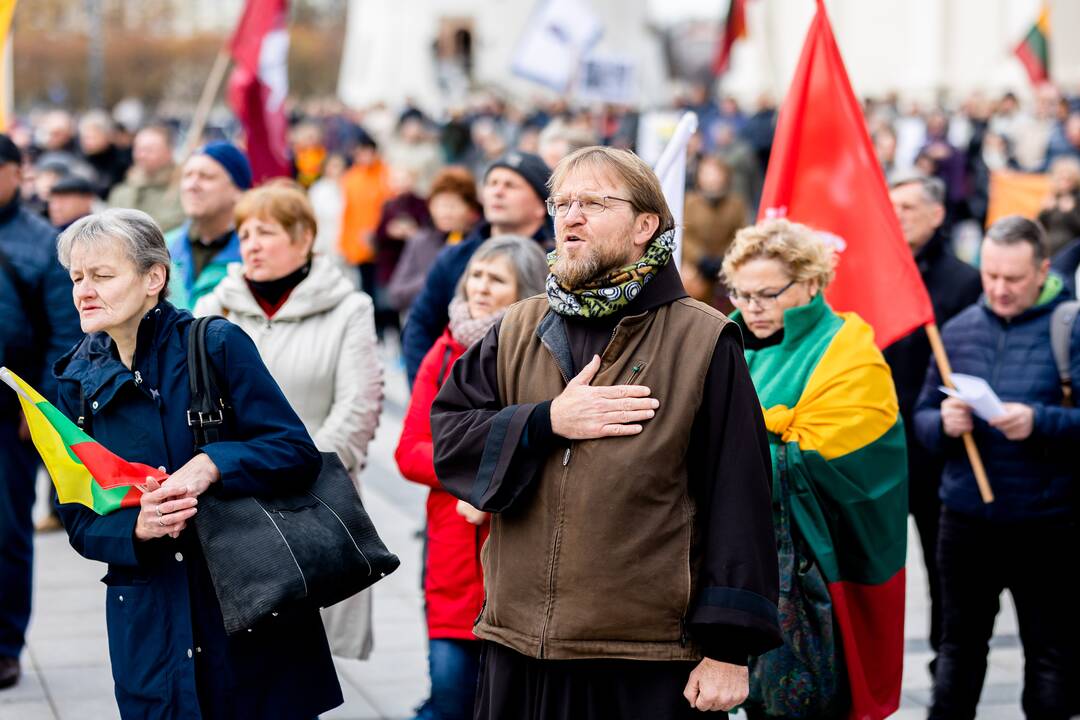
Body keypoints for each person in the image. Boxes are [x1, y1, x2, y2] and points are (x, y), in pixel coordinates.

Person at [430, 146, 781, 719]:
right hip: (518, 641)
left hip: (642, 655)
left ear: (647, 225)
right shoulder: (519, 324)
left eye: (593, 203)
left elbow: (738, 500)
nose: (570, 217)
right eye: (561, 202)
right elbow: (449, 436)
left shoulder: (704, 340)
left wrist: (728, 651)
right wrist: (545, 422)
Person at [52, 208, 343, 718]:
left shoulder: (214, 344)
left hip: (248, 603)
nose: (84, 291)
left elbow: (295, 451)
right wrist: (136, 530)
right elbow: (78, 518)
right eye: (77, 277)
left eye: (102, 275)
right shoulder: (75, 380)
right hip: (149, 620)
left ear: (153, 278)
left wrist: (215, 462)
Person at [722, 219, 908, 720]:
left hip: (807, 578)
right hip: (737, 567)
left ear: (810, 282)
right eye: (740, 292)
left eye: (767, 293)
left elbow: (857, 460)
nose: (752, 306)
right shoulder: (728, 343)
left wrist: (750, 439)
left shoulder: (848, 351)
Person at [195, 182, 384, 661]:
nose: (252, 244)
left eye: (267, 232)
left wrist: (299, 474)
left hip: (317, 501)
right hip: (233, 501)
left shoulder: (348, 308)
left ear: (303, 239)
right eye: (245, 233)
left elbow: (357, 408)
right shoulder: (212, 310)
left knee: (305, 658)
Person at [914, 216, 1079, 720]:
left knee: (1051, 656)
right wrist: (943, 422)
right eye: (991, 276)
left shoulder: (1069, 327)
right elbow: (918, 420)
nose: (999, 289)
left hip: (1048, 522)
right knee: (959, 649)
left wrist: (1041, 421)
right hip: (966, 520)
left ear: (1043, 270)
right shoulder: (960, 330)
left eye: (1013, 278)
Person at [395, 235, 548, 720]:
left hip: (519, 551)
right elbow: (408, 451)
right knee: (450, 694)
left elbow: (549, 440)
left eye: (496, 279)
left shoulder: (537, 353)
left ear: (523, 290)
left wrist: (491, 480)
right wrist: (477, 476)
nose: (481, 286)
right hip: (452, 548)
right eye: (477, 275)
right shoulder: (442, 351)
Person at [883, 176, 981, 674]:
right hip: (877, 444)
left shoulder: (962, 280)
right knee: (873, 561)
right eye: (891, 204)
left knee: (943, 564)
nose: (896, 213)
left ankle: (947, 654)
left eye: (909, 206)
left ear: (938, 214)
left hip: (934, 446)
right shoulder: (874, 270)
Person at [0, 133, 82, 690]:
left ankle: (4, 645)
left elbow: (64, 337)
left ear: (15, 172)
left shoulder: (40, 244)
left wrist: (45, 409)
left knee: (5, 531)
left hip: (9, 411)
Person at [402, 151, 552, 384]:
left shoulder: (555, 265)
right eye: (492, 183)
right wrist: (429, 389)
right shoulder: (454, 256)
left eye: (511, 185)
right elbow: (420, 325)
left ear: (540, 206)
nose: (497, 191)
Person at [165, 142, 253, 310]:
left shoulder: (253, 254)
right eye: (187, 175)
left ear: (239, 191)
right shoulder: (161, 248)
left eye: (206, 177)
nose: (192, 185)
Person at [387, 166, 482, 315]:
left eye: (452, 205)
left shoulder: (479, 243)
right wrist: (435, 275)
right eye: (439, 205)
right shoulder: (420, 241)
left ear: (471, 210)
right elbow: (396, 294)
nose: (445, 212)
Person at [681, 155, 748, 309]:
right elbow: (684, 234)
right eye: (707, 173)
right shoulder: (689, 202)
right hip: (695, 268)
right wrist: (700, 259)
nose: (712, 178)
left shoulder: (736, 204)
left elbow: (740, 235)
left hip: (726, 266)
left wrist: (724, 258)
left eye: (716, 173)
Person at [107, 124, 185, 234]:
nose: (141, 155)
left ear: (169, 152)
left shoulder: (182, 191)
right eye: (138, 149)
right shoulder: (122, 191)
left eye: (149, 150)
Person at [1037, 156, 1080, 257]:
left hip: (1070, 249)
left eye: (1068, 180)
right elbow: (1040, 226)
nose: (1063, 183)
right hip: (1050, 248)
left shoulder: (1077, 199)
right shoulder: (1052, 198)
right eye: (1061, 179)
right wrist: (1044, 211)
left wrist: (1071, 212)